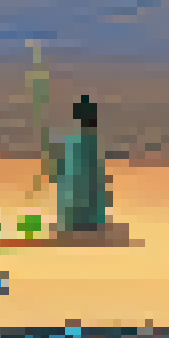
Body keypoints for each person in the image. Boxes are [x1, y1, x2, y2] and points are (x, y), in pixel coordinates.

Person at [49, 96, 113, 234]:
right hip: (83, 218)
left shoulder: (73, 143)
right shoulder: (88, 144)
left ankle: (79, 222)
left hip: (76, 217)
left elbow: (61, 174)